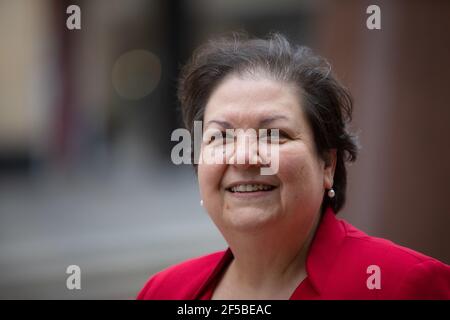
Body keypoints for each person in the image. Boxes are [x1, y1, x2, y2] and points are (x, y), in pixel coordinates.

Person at [137, 33, 450, 299]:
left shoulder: (401, 284)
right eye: (221, 136)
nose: (244, 157)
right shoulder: (165, 291)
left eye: (275, 135)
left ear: (327, 163)